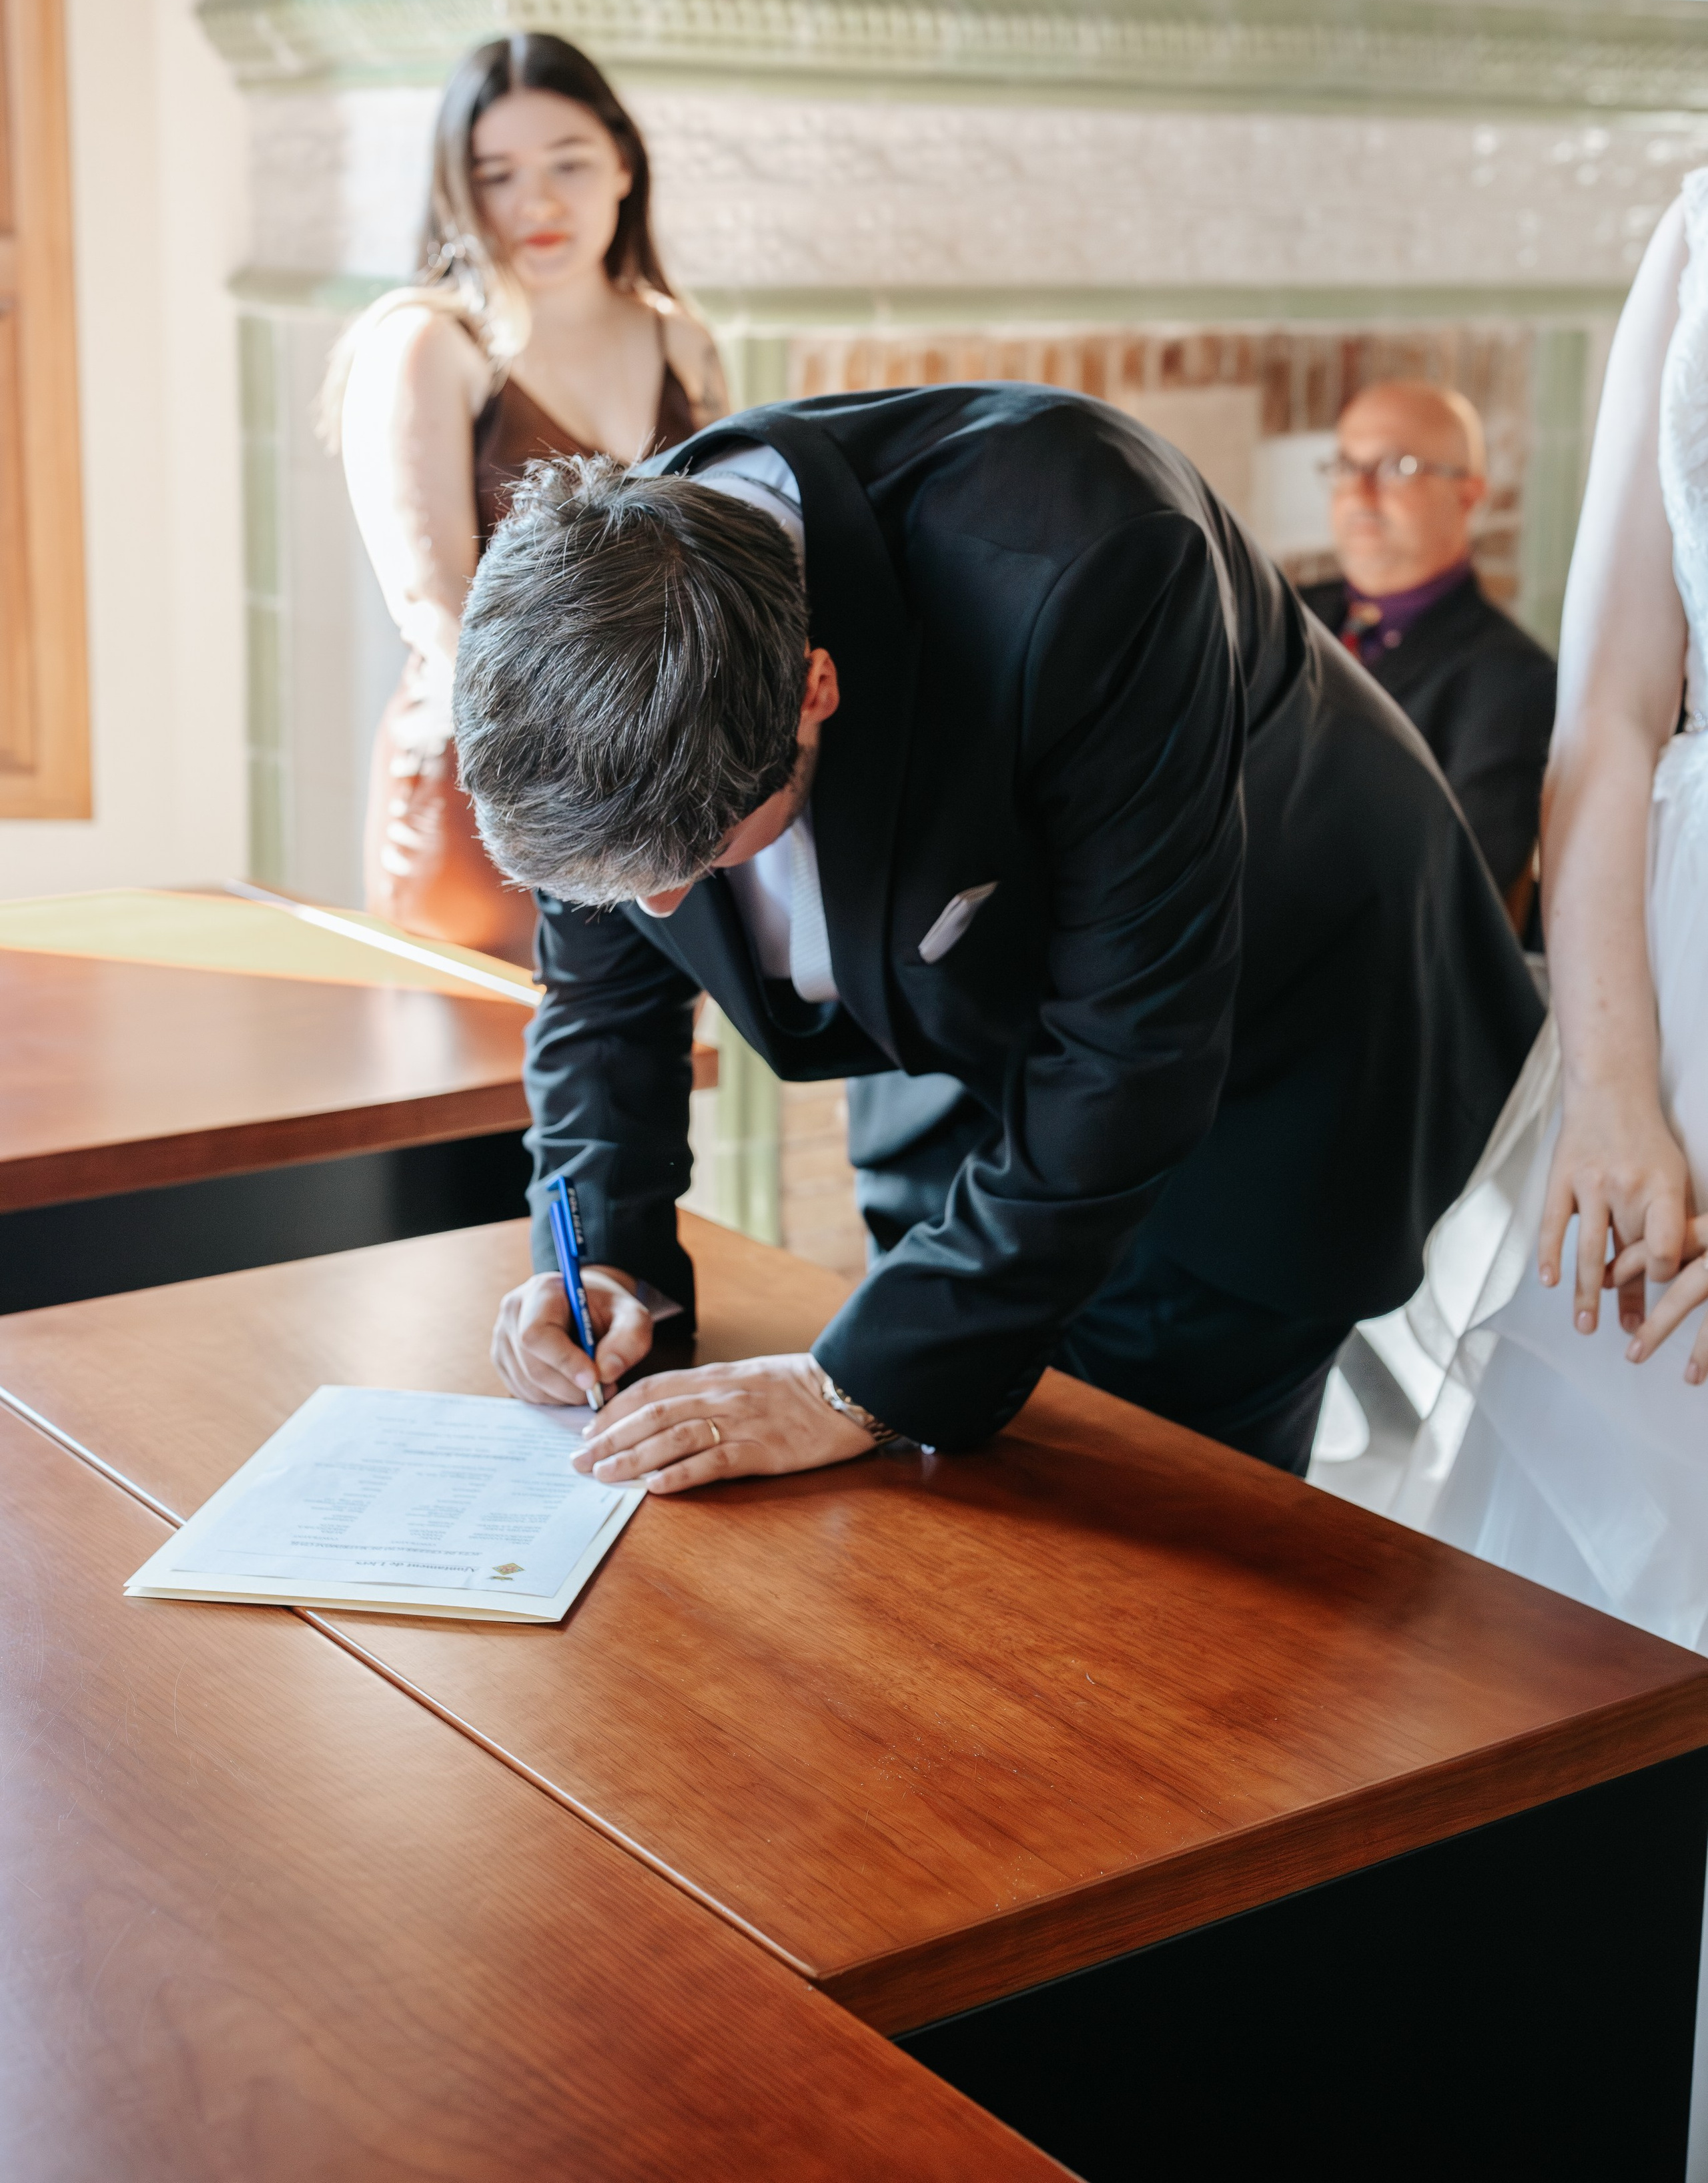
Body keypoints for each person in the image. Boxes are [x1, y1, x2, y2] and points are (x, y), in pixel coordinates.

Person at [446, 382, 1543, 1496]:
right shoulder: (593, 622)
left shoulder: (1088, 554)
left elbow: (1133, 1051)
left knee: (1138, 1513)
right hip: (957, 1015)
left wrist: (848, 1389)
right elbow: (600, 997)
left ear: (813, 691)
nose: (660, 913)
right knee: (920, 1479)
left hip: (1269, 1033)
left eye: (694, 861)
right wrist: (602, 1259)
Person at [1396, 186, 1708, 2171]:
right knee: (1576, 1679)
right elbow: (1602, 713)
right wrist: (1611, 1092)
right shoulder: (1697, 225)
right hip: (1664, 1008)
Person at [332, 31, 727, 963]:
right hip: (492, 783)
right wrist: (581, 771)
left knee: (644, 1044)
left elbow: (723, 562)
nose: (537, 203)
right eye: (496, 174)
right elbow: (436, 608)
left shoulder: (680, 342)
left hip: (663, 783)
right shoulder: (431, 345)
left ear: (623, 165)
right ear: (457, 188)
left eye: (569, 163)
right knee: (478, 1046)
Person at [1300, 380, 1555, 929]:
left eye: (1398, 467)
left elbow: (1458, 897)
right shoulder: (1278, 615)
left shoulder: (1512, 681)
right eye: (1346, 465)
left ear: (1469, 495)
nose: (1359, 492)